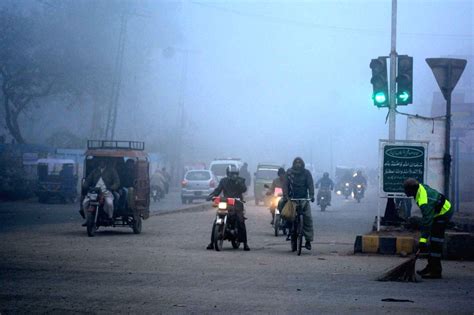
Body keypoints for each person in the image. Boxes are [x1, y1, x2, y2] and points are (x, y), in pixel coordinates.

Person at [403, 178, 453, 279]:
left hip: (443, 214)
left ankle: (436, 271)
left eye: (406, 190)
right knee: (432, 242)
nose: (405, 192)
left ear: (412, 189)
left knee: (435, 242)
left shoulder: (423, 200)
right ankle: (430, 267)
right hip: (436, 213)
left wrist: (423, 240)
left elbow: (427, 221)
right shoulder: (420, 189)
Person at [206, 165, 250, 251]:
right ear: (228, 174)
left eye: (235, 174)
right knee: (216, 220)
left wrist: (239, 183)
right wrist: (212, 195)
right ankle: (212, 242)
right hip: (225, 202)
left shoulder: (241, 180)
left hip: (237, 204)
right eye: (231, 174)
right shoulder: (223, 181)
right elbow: (218, 190)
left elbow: (244, 189)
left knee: (240, 220)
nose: (234, 175)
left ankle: (245, 243)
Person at [283, 157, 315, 250]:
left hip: (304, 200)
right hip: (291, 199)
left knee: (308, 219)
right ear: (293, 164)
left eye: (299, 163)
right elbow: (285, 184)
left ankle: (308, 241)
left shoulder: (306, 173)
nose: (298, 164)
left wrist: (312, 195)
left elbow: (310, 184)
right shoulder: (289, 172)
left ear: (302, 164)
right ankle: (286, 228)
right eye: (296, 163)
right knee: (285, 213)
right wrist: (285, 196)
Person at [81, 159, 120, 225]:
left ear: (105, 162)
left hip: (106, 192)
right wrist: (85, 186)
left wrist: (112, 188)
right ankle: (87, 220)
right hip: (94, 192)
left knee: (109, 203)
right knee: (85, 203)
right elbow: (88, 180)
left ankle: (110, 217)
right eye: (100, 161)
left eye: (103, 161)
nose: (101, 163)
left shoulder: (112, 171)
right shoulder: (95, 171)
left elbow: (117, 182)